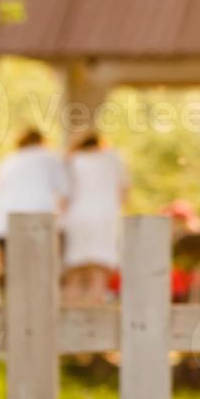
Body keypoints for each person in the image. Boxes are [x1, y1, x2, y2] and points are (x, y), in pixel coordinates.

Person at [0, 127, 69, 292]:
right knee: (39, 272)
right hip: (37, 222)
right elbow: (64, 194)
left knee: (15, 272)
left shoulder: (6, 162)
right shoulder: (50, 158)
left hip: (3, 225)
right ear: (41, 141)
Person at [61, 130, 129, 306]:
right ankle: (93, 314)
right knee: (99, 270)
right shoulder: (114, 159)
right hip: (105, 217)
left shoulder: (72, 161)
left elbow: (63, 196)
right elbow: (124, 193)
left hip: (77, 217)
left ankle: (71, 312)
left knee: (75, 271)